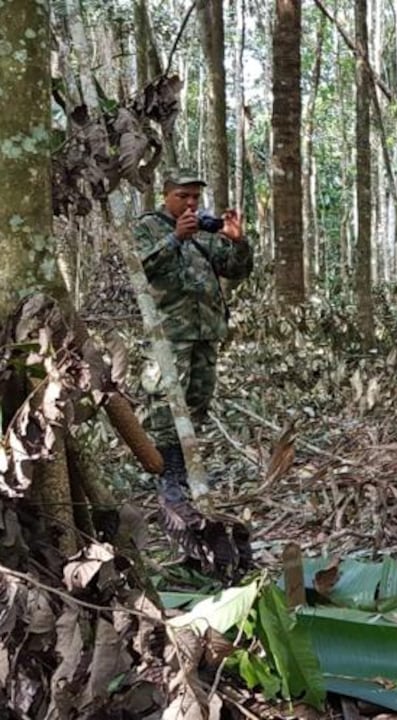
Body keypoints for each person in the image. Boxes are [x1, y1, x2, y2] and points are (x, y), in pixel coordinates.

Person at [134, 168, 253, 503]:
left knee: (198, 399)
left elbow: (236, 270)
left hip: (206, 330)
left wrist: (238, 240)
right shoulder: (149, 226)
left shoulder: (203, 229)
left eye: (194, 197)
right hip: (169, 332)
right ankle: (167, 472)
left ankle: (187, 467)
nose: (189, 203)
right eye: (182, 196)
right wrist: (175, 238)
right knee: (166, 401)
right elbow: (139, 269)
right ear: (166, 195)